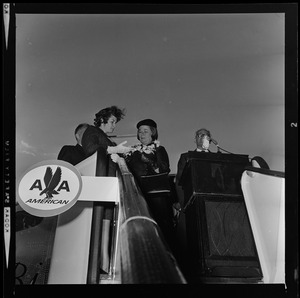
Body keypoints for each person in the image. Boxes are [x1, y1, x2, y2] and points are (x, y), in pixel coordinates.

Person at [81, 105, 132, 275]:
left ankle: (104, 264)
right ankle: (100, 266)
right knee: (101, 225)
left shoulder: (105, 137)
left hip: (108, 186)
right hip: (100, 185)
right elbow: (89, 149)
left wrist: (118, 155)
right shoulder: (91, 131)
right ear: (102, 120)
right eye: (112, 122)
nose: (114, 126)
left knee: (107, 225)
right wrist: (112, 150)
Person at [121, 118, 180, 251]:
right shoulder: (133, 151)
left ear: (153, 133)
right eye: (140, 131)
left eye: (146, 131)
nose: (142, 134)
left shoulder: (160, 149)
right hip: (139, 194)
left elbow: (164, 169)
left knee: (163, 227)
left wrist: (146, 159)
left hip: (157, 195)